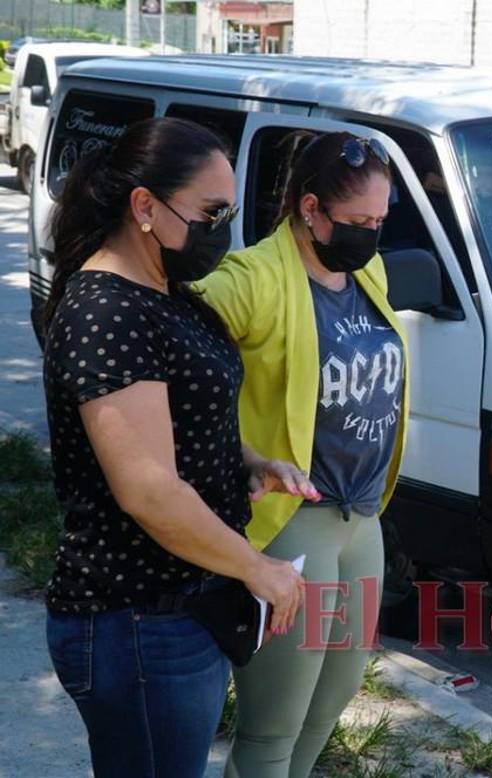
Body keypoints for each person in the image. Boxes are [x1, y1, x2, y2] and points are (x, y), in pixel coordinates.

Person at [41, 117, 309, 778]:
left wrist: (248, 463)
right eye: (211, 212)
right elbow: (148, 490)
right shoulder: (107, 312)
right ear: (144, 208)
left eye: (231, 212)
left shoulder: (166, 292)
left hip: (179, 609)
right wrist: (259, 567)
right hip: (136, 620)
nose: (223, 230)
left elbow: (186, 414)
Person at [194, 130, 410, 778]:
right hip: (292, 526)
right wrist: (242, 453)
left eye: (381, 219)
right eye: (358, 221)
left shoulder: (366, 269)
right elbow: (168, 363)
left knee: (332, 698)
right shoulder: (252, 279)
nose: (372, 234)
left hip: (359, 518)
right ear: (310, 209)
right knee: (274, 725)